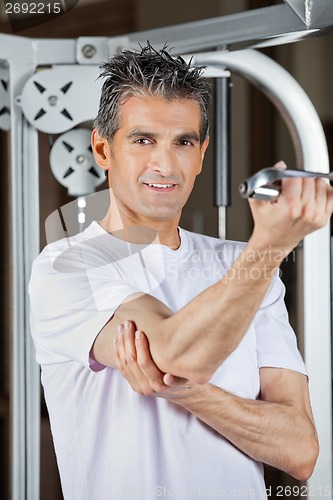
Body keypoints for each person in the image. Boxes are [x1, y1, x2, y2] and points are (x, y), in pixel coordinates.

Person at [29, 44, 333, 500]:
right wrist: (269, 247)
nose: (165, 165)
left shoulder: (242, 266)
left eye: (183, 142)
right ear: (101, 148)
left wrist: (191, 395)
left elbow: (300, 450)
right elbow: (178, 353)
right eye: (143, 140)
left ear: (202, 153)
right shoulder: (67, 265)